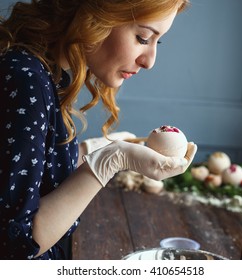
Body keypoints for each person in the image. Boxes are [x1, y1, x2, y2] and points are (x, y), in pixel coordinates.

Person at [0, 0, 197, 260]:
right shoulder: (26, 80)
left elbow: (33, 172)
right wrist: (111, 159)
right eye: (143, 37)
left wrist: (92, 150)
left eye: (156, 42)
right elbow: (18, 246)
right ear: (94, 18)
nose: (150, 61)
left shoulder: (44, 71)